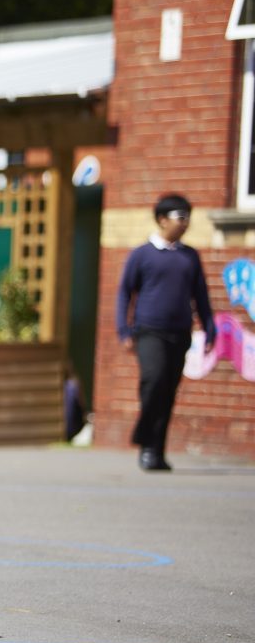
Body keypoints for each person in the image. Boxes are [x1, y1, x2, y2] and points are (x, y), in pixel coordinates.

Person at [116, 193, 215, 471]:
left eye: (188, 218)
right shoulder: (142, 255)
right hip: (149, 330)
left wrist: (209, 328)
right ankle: (146, 440)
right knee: (154, 380)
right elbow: (124, 293)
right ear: (162, 220)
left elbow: (201, 296)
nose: (185, 223)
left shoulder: (189, 257)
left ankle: (156, 451)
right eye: (180, 217)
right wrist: (123, 330)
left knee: (168, 391)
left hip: (180, 333)